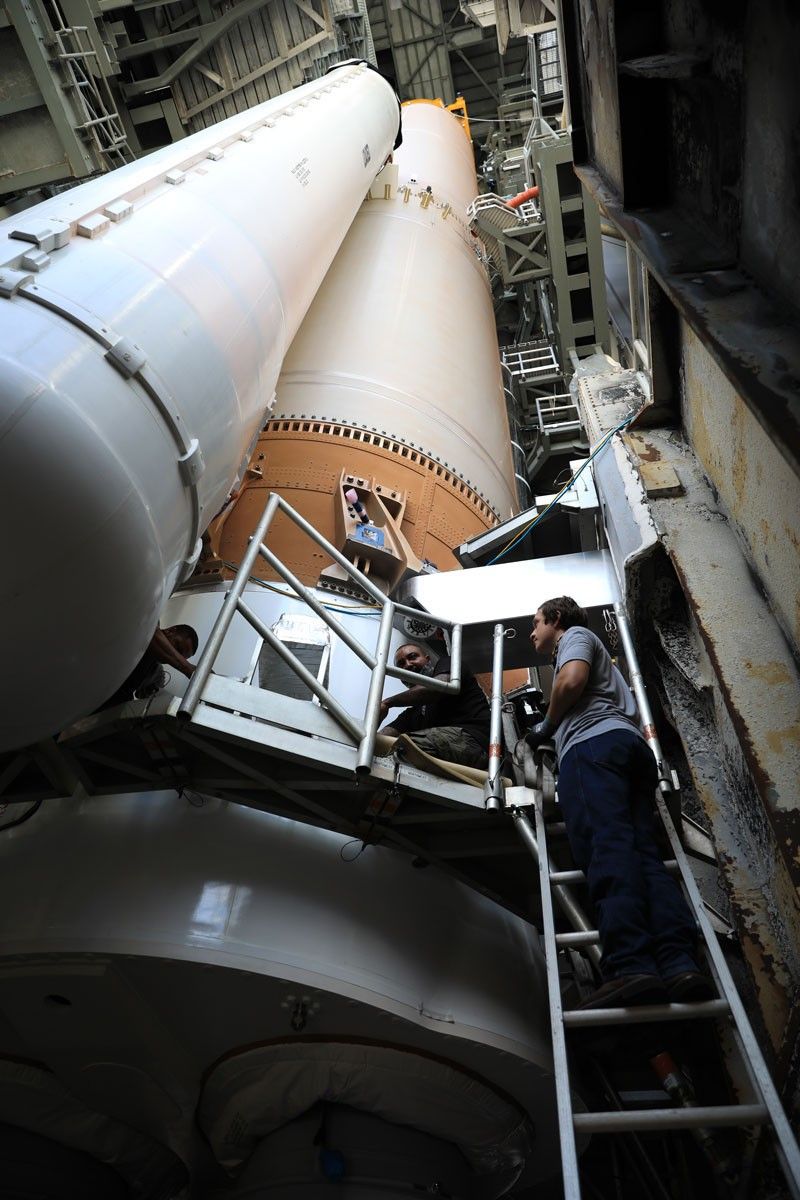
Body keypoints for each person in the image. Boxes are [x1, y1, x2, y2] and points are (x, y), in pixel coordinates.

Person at [522, 596, 712, 1009]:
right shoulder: (590, 646)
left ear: (555, 619)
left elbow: (570, 682)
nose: (532, 631)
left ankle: (631, 965)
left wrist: (546, 726)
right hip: (625, 747)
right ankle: (679, 963)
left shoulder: (573, 636)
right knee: (644, 856)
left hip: (592, 748)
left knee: (606, 850)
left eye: (536, 622)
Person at [379, 642, 489, 768]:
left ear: (427, 659)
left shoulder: (449, 665)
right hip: (448, 751)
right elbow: (383, 738)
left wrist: (388, 702)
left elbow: (437, 687)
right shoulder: (413, 714)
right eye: (401, 664)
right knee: (386, 754)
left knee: (404, 747)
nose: (408, 665)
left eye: (413, 657)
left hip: (476, 741)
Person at [98, 625, 199, 710]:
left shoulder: (155, 673)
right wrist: (188, 668)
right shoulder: (146, 625)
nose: (175, 657)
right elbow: (152, 634)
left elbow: (146, 697)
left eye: (182, 657)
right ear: (170, 631)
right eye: (178, 648)